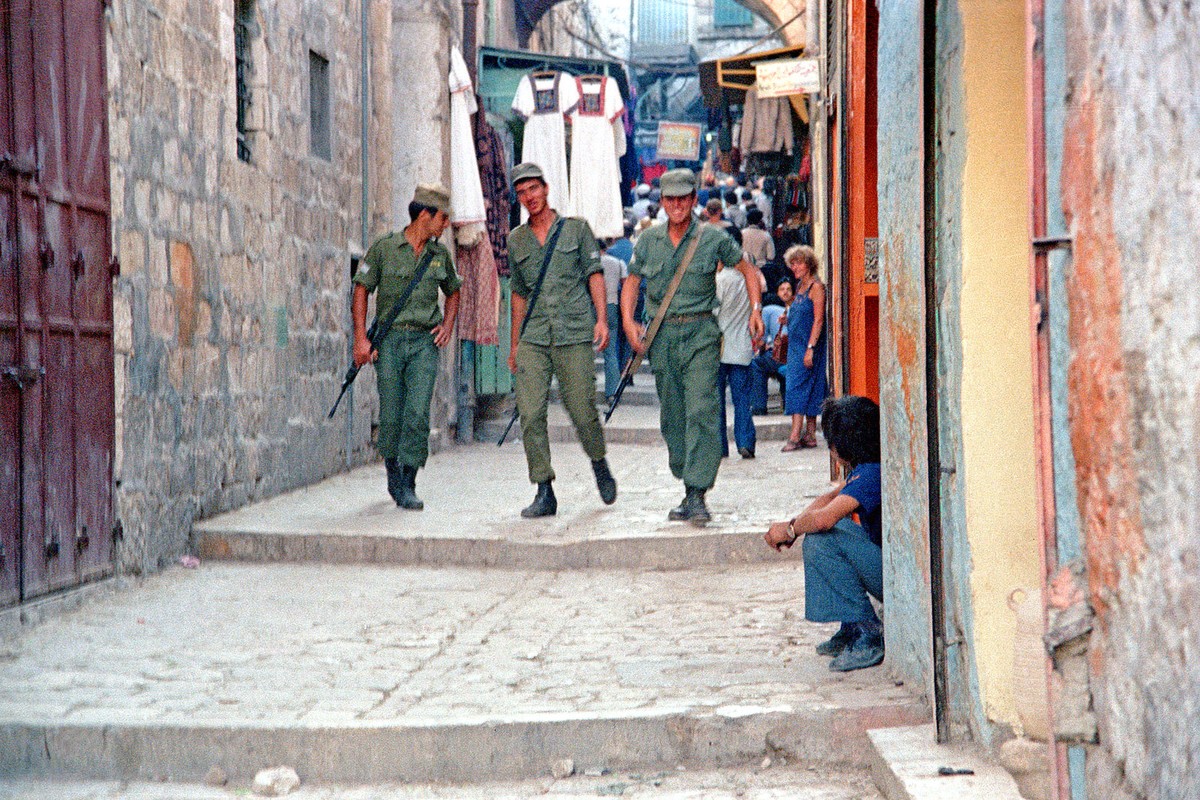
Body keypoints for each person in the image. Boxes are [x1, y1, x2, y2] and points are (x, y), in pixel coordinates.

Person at [622, 168, 764, 525]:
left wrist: (755, 311)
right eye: (669, 199)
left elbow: (747, 270)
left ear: (693, 200)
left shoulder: (712, 239)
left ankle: (698, 491)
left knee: (702, 408)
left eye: (683, 199)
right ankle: (688, 484)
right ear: (662, 202)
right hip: (662, 338)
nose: (676, 206)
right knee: (673, 416)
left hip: (701, 333)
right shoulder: (650, 241)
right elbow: (633, 282)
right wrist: (627, 321)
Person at [507, 162, 617, 517]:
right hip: (535, 337)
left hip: (572, 332)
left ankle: (598, 461)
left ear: (546, 188)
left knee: (582, 409)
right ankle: (544, 489)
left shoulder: (576, 230)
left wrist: (602, 319)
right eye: (522, 193)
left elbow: (594, 274)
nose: (529, 197)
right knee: (530, 411)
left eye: (534, 189)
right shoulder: (516, 240)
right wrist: (514, 344)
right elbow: (519, 294)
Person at [352, 184, 461, 510]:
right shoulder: (385, 248)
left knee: (417, 411)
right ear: (425, 214)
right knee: (392, 412)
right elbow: (361, 290)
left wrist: (448, 324)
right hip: (390, 342)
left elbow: (453, 290)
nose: (445, 225)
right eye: (443, 218)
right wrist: (361, 339)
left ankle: (409, 481)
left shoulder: (439, 254)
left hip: (423, 342)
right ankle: (392, 472)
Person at [764, 396, 884, 672]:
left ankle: (868, 632)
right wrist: (793, 528)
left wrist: (791, 528)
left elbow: (825, 519)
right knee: (821, 533)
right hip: (883, 563)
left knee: (823, 540)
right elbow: (828, 498)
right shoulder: (865, 469)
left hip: (893, 576)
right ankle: (851, 624)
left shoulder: (872, 474)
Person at [781, 245, 827, 452]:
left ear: (809, 263)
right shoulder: (799, 286)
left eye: (798, 262)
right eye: (792, 263)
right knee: (803, 386)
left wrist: (811, 347)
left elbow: (818, 320)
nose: (795, 267)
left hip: (808, 345)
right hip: (796, 346)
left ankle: (794, 434)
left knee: (798, 387)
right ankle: (809, 434)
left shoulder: (815, 287)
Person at [715, 258, 756, 459]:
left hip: (720, 349)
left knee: (717, 400)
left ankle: (720, 446)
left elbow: (713, 311)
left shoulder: (720, 280)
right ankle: (745, 442)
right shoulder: (749, 280)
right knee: (742, 400)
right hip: (741, 348)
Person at [750, 278, 793, 414]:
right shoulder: (797, 307)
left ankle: (759, 407)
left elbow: (761, 340)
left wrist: (762, 346)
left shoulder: (769, 310)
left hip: (783, 356)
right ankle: (788, 405)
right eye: (782, 289)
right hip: (796, 355)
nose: (785, 292)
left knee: (757, 364)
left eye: (788, 289)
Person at [599, 239, 628, 401]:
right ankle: (612, 391)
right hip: (612, 304)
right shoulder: (618, 263)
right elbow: (625, 285)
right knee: (610, 353)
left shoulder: (590, 263)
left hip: (592, 307)